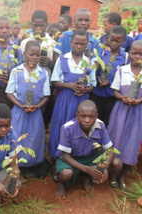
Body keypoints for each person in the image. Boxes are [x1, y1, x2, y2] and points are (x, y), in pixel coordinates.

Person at [55, 100, 122, 198]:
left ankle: (89, 178)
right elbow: (65, 156)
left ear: (96, 116)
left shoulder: (100, 125)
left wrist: (104, 168)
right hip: (71, 158)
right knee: (66, 174)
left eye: (91, 117)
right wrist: (86, 169)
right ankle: (62, 184)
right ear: (77, 115)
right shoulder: (67, 128)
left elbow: (110, 150)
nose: (87, 120)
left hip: (90, 157)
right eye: (83, 116)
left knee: (117, 162)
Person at [48, 29, 97, 159]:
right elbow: (55, 81)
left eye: (83, 44)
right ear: (71, 42)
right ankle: (57, 158)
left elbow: (92, 85)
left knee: (78, 129)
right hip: (64, 99)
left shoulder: (89, 62)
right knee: (60, 126)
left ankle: (76, 159)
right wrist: (68, 85)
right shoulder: (62, 59)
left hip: (81, 102)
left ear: (87, 44)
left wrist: (85, 89)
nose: (79, 46)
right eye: (76, 43)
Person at [6, 40, 50, 168]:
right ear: (24, 54)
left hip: (35, 112)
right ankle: (15, 164)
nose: (35, 58)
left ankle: (31, 164)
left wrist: (37, 106)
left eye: (37, 55)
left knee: (34, 137)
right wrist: (20, 105)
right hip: (19, 111)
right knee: (17, 136)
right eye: (32, 54)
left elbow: (46, 95)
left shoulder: (43, 73)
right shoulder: (16, 71)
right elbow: (9, 92)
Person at [107, 40, 142, 189]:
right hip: (121, 110)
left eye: (141, 54)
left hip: (137, 112)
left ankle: (122, 175)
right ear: (129, 53)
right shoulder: (122, 70)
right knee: (117, 139)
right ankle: (113, 174)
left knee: (132, 141)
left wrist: (139, 100)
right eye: (134, 53)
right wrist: (124, 98)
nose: (137, 56)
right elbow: (115, 90)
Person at [91, 26, 129, 126]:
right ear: (108, 38)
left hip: (113, 97)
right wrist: (97, 78)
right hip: (97, 94)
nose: (114, 43)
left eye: (118, 41)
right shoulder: (101, 53)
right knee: (95, 120)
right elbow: (92, 70)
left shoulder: (125, 57)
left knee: (109, 121)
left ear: (124, 41)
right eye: (112, 40)